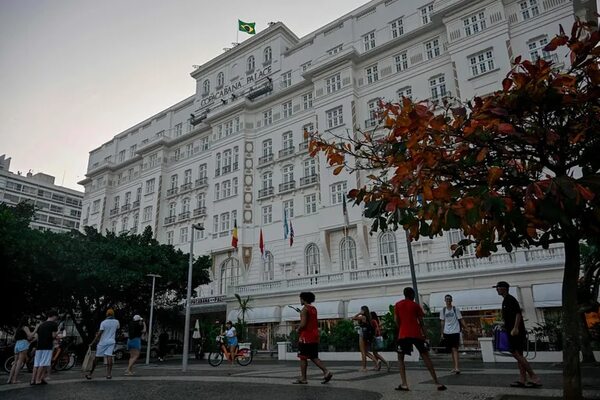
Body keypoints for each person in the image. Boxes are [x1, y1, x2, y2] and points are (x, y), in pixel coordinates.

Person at [394, 287, 446, 391]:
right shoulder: (415, 305)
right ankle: (437, 382)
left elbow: (396, 320)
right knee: (425, 356)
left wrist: (402, 327)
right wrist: (426, 336)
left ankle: (404, 383)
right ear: (412, 295)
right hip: (416, 334)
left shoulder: (398, 305)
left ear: (404, 294)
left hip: (403, 334)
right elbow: (421, 322)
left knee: (400, 359)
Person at [494, 281, 542, 388]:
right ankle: (522, 379)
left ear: (504, 288)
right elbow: (511, 317)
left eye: (498, 287)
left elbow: (518, 314)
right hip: (511, 330)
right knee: (519, 355)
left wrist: (515, 328)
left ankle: (534, 377)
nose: (496, 289)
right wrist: (504, 324)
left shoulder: (510, 299)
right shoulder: (505, 301)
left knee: (516, 354)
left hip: (515, 333)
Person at [292, 291, 333, 385]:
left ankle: (303, 378)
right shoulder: (313, 309)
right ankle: (326, 372)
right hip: (314, 336)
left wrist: (298, 329)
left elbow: (303, 324)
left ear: (303, 299)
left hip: (305, 337)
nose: (300, 300)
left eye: (301, 298)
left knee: (303, 357)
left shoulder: (304, 309)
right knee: (313, 356)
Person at [85, 309, 120, 380]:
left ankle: (90, 374)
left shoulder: (103, 322)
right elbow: (117, 330)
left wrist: (92, 342)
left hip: (103, 342)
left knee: (97, 358)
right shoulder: (116, 322)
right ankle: (109, 374)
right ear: (113, 314)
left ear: (107, 314)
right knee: (109, 356)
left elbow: (99, 333)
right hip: (112, 341)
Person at [31, 310, 59, 385]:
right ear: (54, 316)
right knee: (43, 363)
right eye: (56, 316)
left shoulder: (41, 324)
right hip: (47, 346)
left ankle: (33, 380)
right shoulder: (54, 324)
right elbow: (53, 336)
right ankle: (38, 380)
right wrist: (57, 333)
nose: (57, 318)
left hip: (39, 346)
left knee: (36, 363)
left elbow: (37, 336)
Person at [440, 294, 465, 374]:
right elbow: (442, 322)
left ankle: (457, 367)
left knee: (455, 349)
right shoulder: (443, 310)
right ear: (445, 301)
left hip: (455, 331)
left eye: (449, 299)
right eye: (447, 299)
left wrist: (466, 327)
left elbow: (460, 319)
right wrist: (442, 333)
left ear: (451, 300)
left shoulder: (455, 309)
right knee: (452, 349)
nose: (448, 301)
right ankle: (455, 367)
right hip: (447, 332)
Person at [7, 317, 33, 384]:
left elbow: (13, 338)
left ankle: (9, 379)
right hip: (23, 344)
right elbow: (30, 336)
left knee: (15, 362)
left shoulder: (18, 328)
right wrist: (36, 329)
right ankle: (15, 379)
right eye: (29, 319)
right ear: (26, 320)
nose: (30, 320)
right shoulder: (25, 327)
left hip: (17, 344)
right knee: (19, 362)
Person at [351, 305, 377, 371]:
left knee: (362, 352)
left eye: (361, 310)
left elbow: (353, 318)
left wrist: (359, 313)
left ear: (363, 311)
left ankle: (364, 367)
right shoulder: (369, 317)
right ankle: (376, 361)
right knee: (365, 352)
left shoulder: (363, 317)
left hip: (362, 334)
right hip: (367, 335)